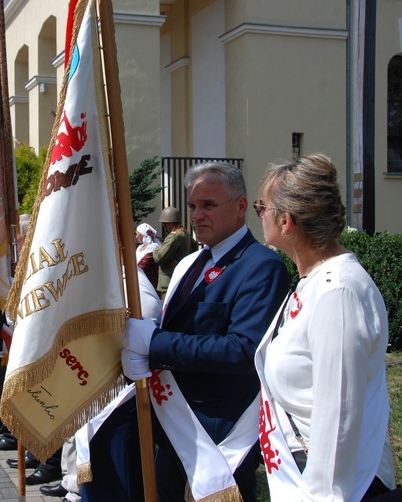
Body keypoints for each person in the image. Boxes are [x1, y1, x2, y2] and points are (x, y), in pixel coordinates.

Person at [84, 161, 290, 502]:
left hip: (219, 433)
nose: (196, 215)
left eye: (208, 205)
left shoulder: (261, 266)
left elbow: (243, 350)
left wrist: (155, 343)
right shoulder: (192, 262)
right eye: (193, 206)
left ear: (241, 207)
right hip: (173, 426)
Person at [253, 153, 395, 500]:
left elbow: (337, 417)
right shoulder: (314, 280)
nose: (258, 215)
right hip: (300, 467)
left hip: (338, 486)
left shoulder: (337, 292)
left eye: (261, 208)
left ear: (285, 222)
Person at [152, 206, 195, 298]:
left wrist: (157, 248)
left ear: (170, 222)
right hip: (180, 276)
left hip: (169, 279)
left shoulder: (174, 236)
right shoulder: (184, 232)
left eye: (165, 223)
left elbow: (158, 257)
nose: (164, 226)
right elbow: (194, 247)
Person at [135, 223, 161, 290]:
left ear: (142, 234)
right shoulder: (139, 247)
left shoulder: (153, 247)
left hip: (148, 279)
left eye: (137, 234)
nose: (136, 237)